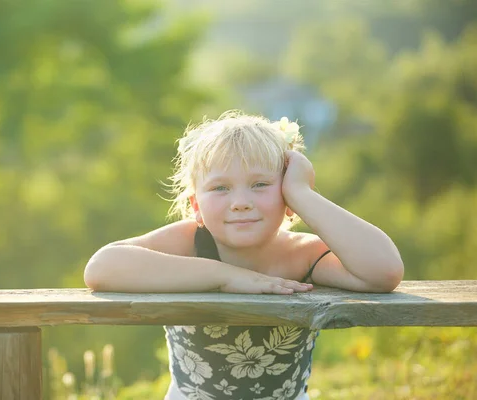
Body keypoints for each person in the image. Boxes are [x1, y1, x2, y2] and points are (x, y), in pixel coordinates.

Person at [84, 110, 404, 400]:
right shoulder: (190, 242)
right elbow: (101, 267)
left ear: (286, 197)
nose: (240, 202)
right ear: (196, 206)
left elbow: (383, 271)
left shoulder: (299, 254)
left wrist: (303, 194)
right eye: (221, 188)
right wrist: (226, 277)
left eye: (260, 184)